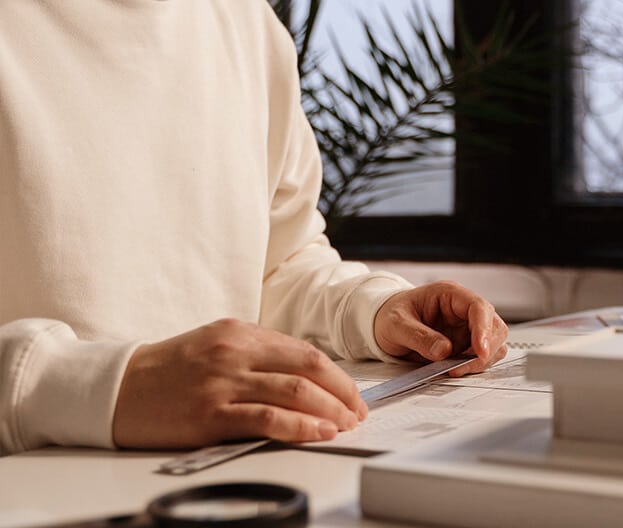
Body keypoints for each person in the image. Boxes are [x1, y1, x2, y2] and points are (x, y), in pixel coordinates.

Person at [0, 0, 508, 455]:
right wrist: (99, 389)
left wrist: (372, 310)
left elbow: (277, 266)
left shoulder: (248, 22)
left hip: (223, 479)